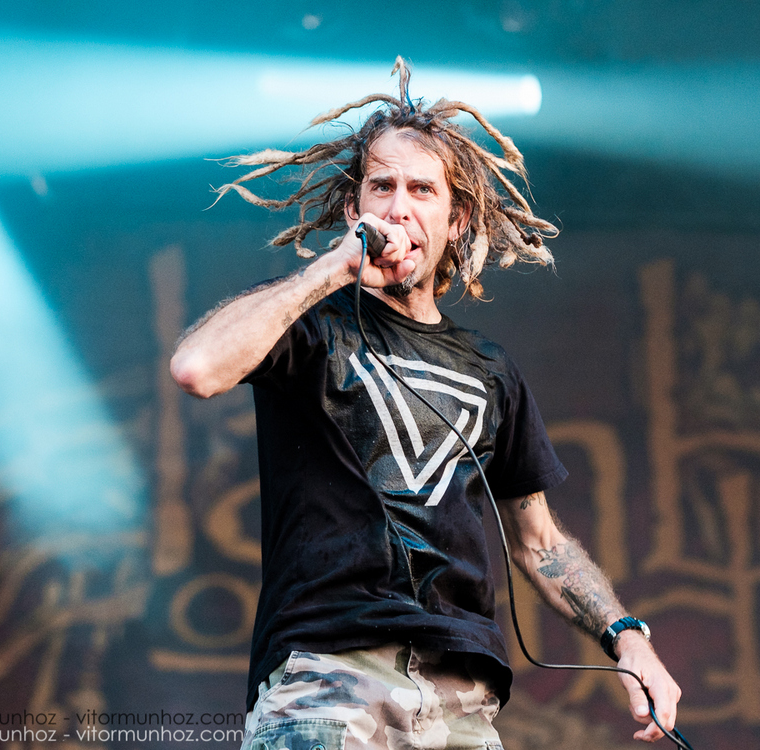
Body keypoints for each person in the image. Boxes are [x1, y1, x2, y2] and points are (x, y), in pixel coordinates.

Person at [171, 58, 680, 750]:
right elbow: (197, 368)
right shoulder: (309, 325)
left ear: (456, 216)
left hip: (461, 703)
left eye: (420, 189)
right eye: (380, 187)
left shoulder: (491, 371)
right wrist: (331, 269)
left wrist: (629, 640)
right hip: (329, 680)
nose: (397, 206)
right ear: (354, 210)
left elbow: (543, 545)